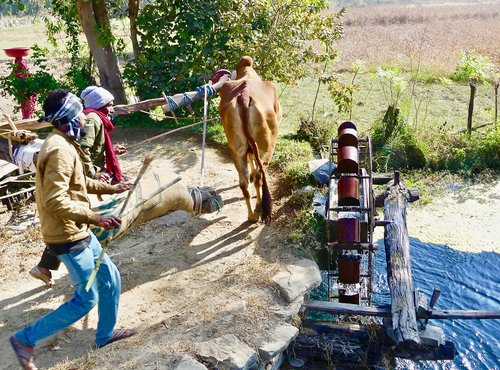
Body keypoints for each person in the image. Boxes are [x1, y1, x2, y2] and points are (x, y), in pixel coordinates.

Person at [10, 90, 136, 370]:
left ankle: (104, 335)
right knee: (85, 299)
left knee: (111, 277)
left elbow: (80, 182)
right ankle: (24, 339)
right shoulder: (58, 150)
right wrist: (95, 217)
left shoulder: (66, 143)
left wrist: (111, 187)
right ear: (67, 118)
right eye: (79, 113)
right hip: (68, 235)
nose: (83, 117)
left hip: (79, 229)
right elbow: (56, 200)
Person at [79, 85, 126, 184]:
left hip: (96, 168)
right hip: (92, 173)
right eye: (109, 105)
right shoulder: (92, 119)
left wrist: (112, 150)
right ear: (99, 105)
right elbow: (82, 150)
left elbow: (93, 149)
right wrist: (93, 175)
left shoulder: (96, 118)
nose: (112, 110)